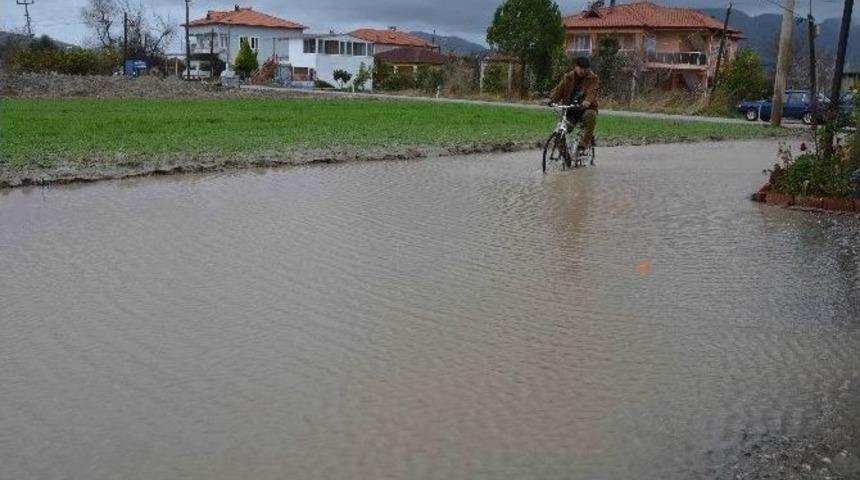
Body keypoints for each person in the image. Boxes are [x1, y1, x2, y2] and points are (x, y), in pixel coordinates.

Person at [549, 56, 599, 154]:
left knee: (590, 115)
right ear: (575, 67)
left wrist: (587, 101)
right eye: (580, 68)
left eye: (585, 68)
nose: (582, 71)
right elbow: (559, 90)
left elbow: (592, 91)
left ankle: (584, 144)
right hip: (571, 110)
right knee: (561, 131)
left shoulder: (593, 78)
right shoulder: (568, 77)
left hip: (586, 109)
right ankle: (564, 154)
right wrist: (551, 100)